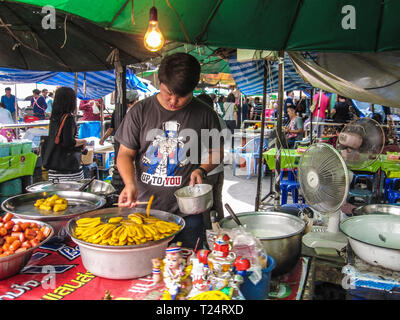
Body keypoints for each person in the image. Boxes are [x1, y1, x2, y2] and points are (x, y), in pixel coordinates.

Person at [114, 52, 222, 249]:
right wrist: (129, 184)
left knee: (188, 269)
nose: (173, 101)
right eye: (168, 93)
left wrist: (202, 169)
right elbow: (124, 154)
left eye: (181, 96)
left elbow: (218, 151)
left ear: (193, 89)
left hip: (188, 215)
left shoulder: (205, 114)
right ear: (159, 81)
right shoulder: (140, 111)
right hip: (144, 212)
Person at [196, 93, 226, 226]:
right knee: (217, 202)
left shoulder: (202, 119)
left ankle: (206, 235)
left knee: (204, 207)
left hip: (205, 168)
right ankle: (223, 232)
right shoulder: (220, 119)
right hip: (219, 168)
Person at [46, 87, 88, 182]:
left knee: (56, 195)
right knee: (71, 196)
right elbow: (68, 142)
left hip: (54, 168)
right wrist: (83, 141)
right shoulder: (68, 118)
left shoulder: (54, 118)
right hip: (68, 170)